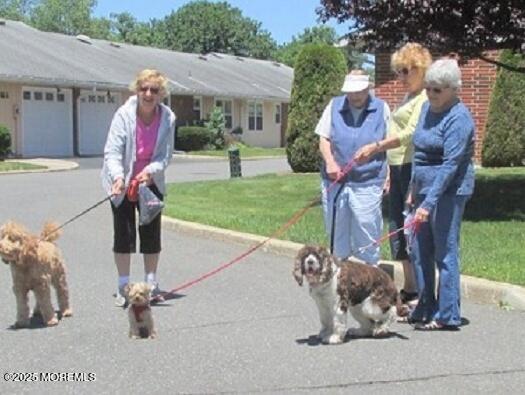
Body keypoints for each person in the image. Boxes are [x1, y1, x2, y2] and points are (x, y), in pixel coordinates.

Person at [354, 43, 432, 309]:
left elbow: (410, 134)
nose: (401, 76)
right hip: (397, 169)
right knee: (396, 227)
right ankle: (409, 286)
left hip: (412, 168)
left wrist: (376, 147)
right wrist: (388, 170)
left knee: (411, 229)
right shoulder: (407, 98)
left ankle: (423, 291)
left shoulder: (424, 99)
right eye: (398, 71)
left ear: (420, 70)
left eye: (406, 70)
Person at [409, 58, 475, 330]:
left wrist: (429, 203)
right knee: (418, 248)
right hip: (423, 187)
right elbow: (419, 153)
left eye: (438, 90)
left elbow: (450, 166)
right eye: (428, 88)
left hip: (449, 190)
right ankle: (425, 305)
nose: (431, 94)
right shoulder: (426, 108)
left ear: (453, 89)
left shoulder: (460, 119)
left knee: (444, 252)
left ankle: (447, 314)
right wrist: (413, 193)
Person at [101, 69, 176, 307]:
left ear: (161, 93)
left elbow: (165, 155)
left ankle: (151, 284)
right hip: (121, 182)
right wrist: (119, 177)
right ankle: (123, 285)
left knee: (151, 234)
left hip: (150, 181)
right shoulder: (123, 115)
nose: (148, 93)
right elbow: (112, 152)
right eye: (144, 88)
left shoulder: (167, 118)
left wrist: (149, 172)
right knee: (123, 234)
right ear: (137, 90)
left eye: (154, 90)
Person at [315, 70, 390, 264]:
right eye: (351, 92)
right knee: (336, 229)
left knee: (367, 229)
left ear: (368, 88)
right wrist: (330, 162)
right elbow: (323, 138)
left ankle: (370, 275)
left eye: (359, 92)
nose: (354, 96)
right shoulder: (334, 106)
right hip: (335, 180)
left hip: (368, 180)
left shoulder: (382, 108)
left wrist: (388, 175)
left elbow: (390, 144)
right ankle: (340, 275)